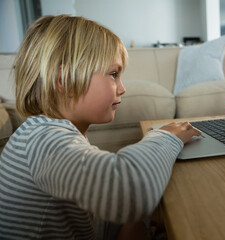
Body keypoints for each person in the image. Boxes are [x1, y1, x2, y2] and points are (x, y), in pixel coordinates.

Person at [0, 15, 201, 240]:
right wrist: (165, 136)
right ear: (64, 80)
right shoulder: (43, 139)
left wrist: (140, 221)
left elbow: (90, 220)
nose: (122, 88)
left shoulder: (51, 133)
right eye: (113, 74)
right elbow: (129, 192)